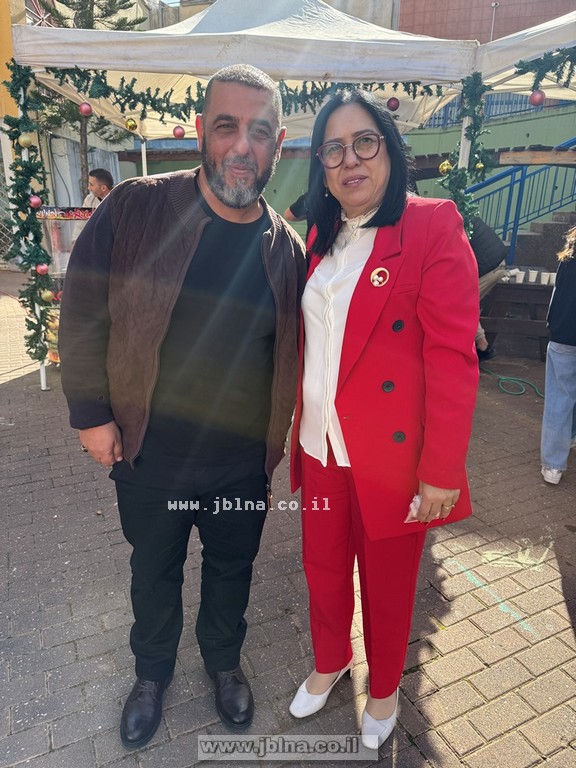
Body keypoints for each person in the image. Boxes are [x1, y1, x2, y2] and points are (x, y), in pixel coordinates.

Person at [59, 64, 306, 749]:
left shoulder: (284, 248)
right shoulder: (136, 207)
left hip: (240, 463)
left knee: (232, 571)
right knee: (153, 572)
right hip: (151, 454)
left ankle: (224, 663)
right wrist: (90, 413)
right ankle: (151, 675)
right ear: (201, 131)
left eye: (259, 131)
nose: (241, 146)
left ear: (278, 143)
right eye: (227, 126)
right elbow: (83, 304)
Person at [287, 89, 479, 749]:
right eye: (333, 149)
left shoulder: (430, 224)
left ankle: (387, 686)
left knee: (389, 583)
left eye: (364, 142)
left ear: (391, 151)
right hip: (319, 445)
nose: (350, 160)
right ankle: (331, 660)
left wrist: (441, 468)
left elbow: (452, 357)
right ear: (321, 165)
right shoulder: (321, 233)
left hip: (390, 455)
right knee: (321, 566)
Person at [540, 225, 576, 485]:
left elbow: (557, 295)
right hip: (563, 333)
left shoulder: (569, 255)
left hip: (563, 333)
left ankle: (553, 464)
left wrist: (551, 324)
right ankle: (571, 436)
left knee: (559, 398)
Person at [470, 216, 507, 361]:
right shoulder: (467, 216)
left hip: (487, 268)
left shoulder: (454, 221)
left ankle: (482, 346)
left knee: (459, 305)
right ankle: (481, 345)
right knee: (465, 304)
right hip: (496, 263)